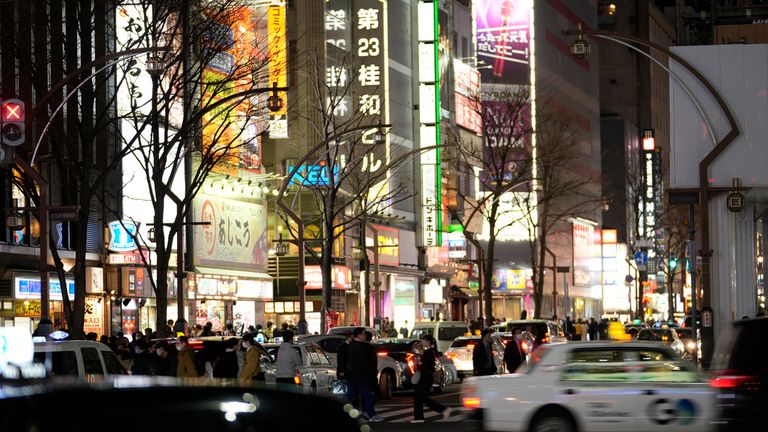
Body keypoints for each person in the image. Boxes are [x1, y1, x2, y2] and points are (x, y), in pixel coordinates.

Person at [411, 335, 451, 424]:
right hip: (426, 377)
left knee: (422, 397)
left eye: (423, 340)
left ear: (428, 342)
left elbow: (426, 366)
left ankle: (443, 409)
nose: (422, 342)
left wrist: (419, 363)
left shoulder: (428, 352)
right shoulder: (430, 352)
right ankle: (418, 418)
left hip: (425, 378)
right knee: (418, 397)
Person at [346, 327, 381, 422]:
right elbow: (362, 362)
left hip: (354, 374)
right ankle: (371, 414)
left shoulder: (352, 345)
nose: (365, 336)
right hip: (359, 374)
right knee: (367, 395)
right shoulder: (358, 346)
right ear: (360, 335)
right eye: (364, 334)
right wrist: (366, 371)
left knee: (350, 395)